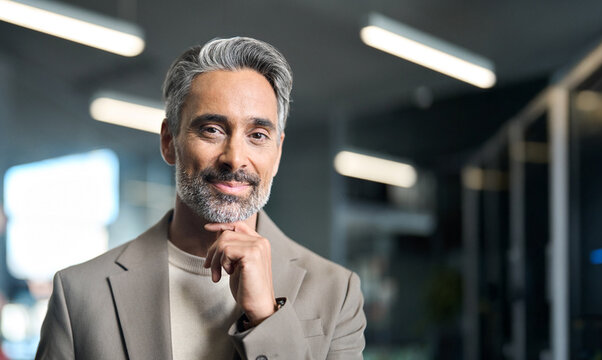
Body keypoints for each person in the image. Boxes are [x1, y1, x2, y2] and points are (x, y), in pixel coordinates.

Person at [35, 37, 366, 360]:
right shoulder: (78, 294)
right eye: (212, 129)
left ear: (277, 153)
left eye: (257, 135)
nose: (235, 158)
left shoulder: (337, 294)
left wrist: (266, 317)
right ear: (169, 141)